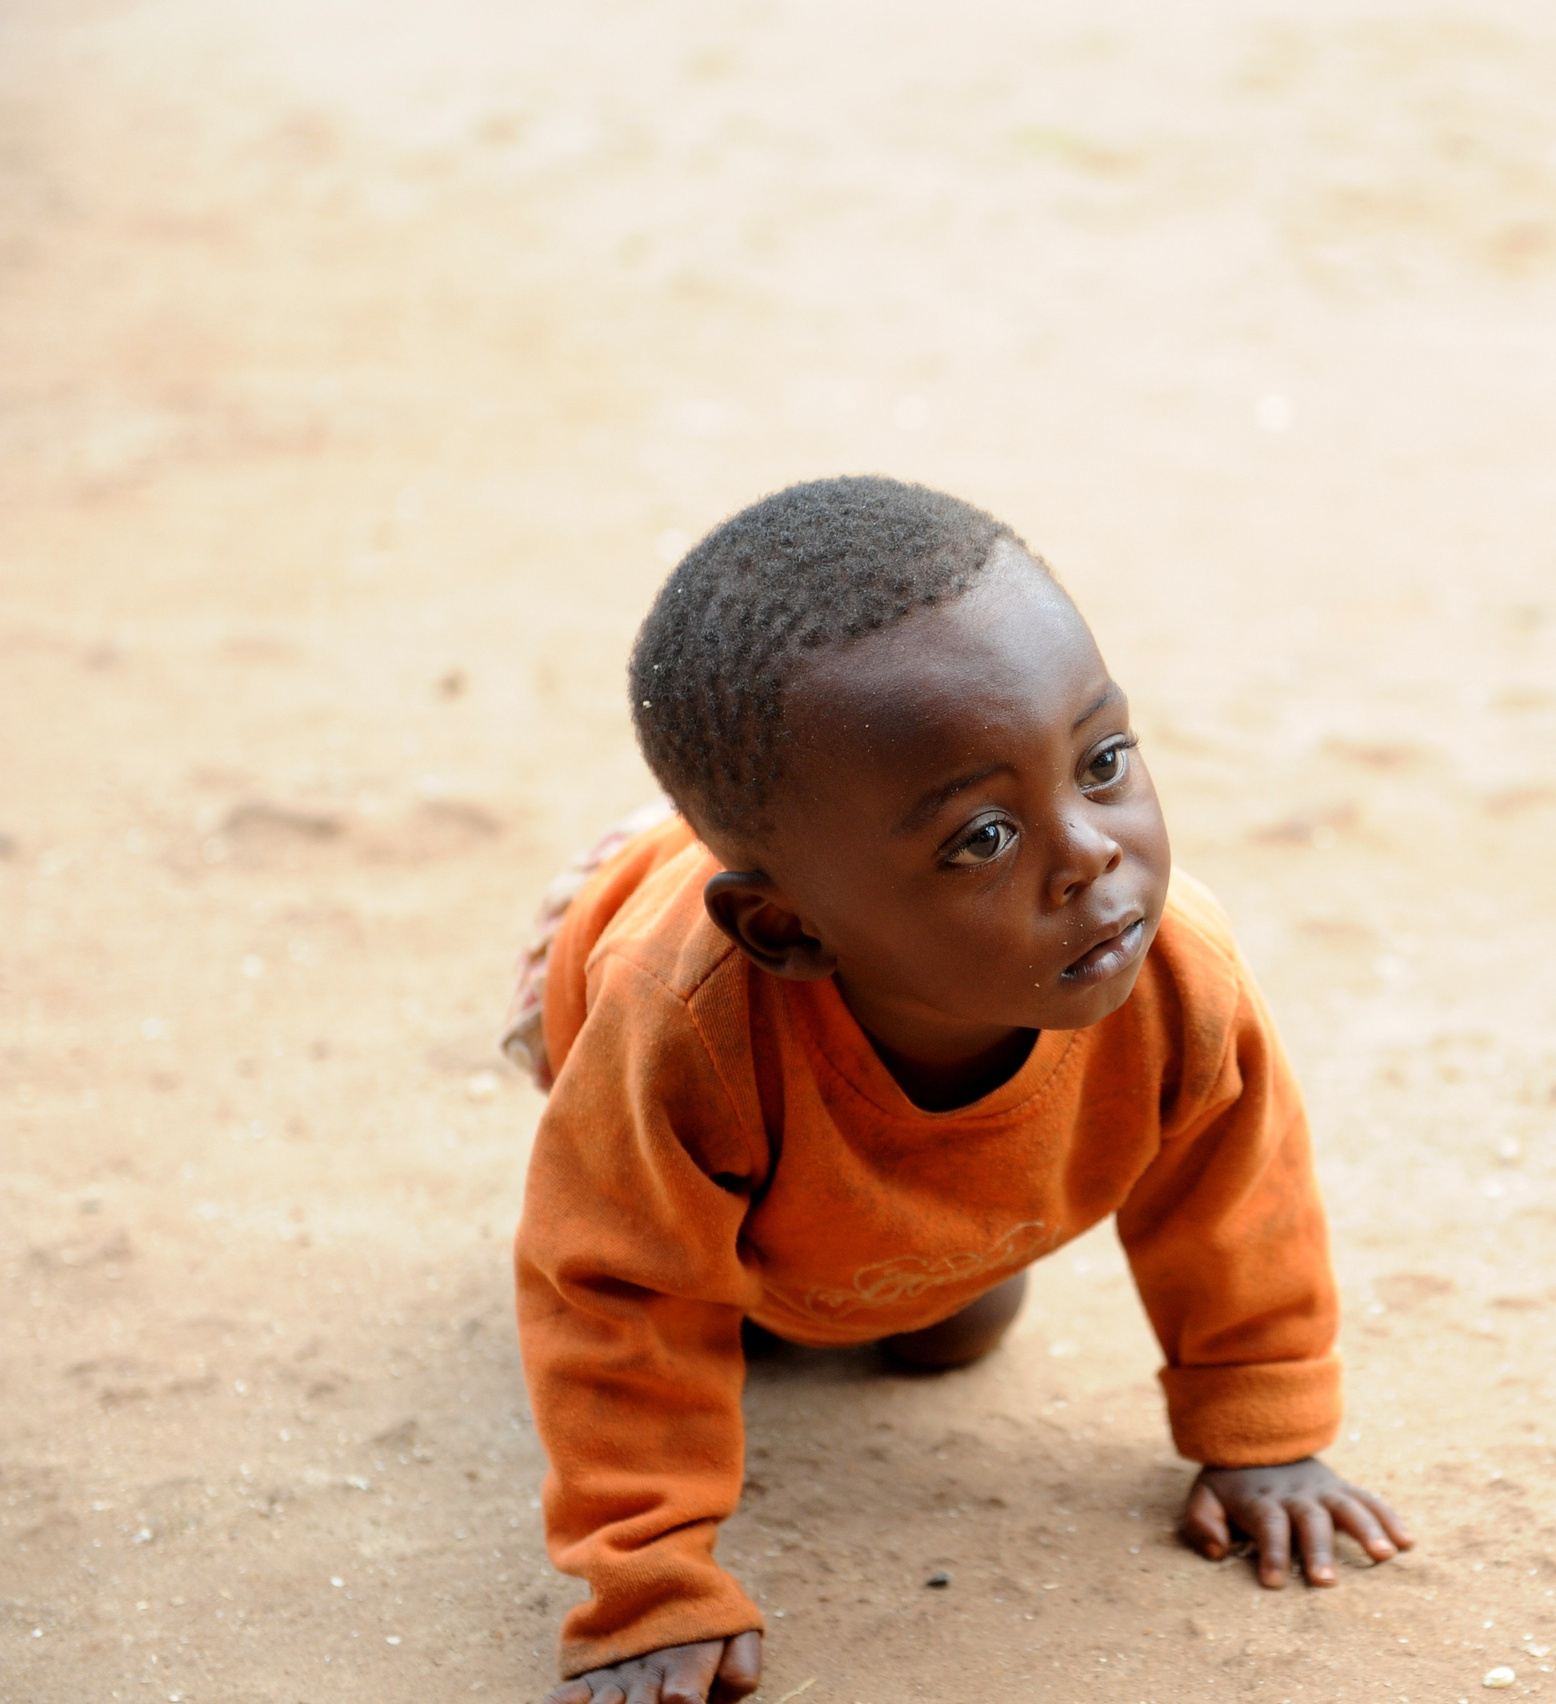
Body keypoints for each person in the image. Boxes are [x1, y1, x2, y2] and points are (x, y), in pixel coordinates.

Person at [505, 477, 1413, 1704]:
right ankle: (773, 1259)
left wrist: (1265, 1432)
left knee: (952, 1330)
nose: (1090, 853)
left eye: (1101, 761)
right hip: (640, 973)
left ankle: (858, 1252)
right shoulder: (675, 1033)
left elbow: (1234, 1193)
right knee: (720, 1300)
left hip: (853, 951)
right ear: (786, 929)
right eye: (981, 838)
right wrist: (650, 1584)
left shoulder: (1175, 972)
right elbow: (611, 1287)